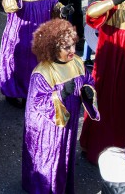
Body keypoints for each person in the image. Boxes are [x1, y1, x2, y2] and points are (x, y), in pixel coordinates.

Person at [22, 19, 99, 194]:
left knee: (64, 153)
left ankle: (62, 185)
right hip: (48, 128)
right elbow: (38, 103)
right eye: (66, 47)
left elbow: (88, 81)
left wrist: (88, 91)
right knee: (50, 157)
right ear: (53, 48)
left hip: (69, 120)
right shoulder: (42, 72)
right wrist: (61, 94)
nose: (72, 50)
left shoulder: (77, 62)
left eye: (73, 45)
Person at [80, 0, 125, 164]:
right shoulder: (113, 1)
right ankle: (99, 147)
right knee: (106, 102)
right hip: (111, 63)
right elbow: (91, 13)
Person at [0, 0, 66, 107]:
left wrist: (61, 9)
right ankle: (12, 94)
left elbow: (53, 4)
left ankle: (30, 93)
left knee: (35, 66)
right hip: (20, 36)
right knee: (19, 66)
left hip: (39, 36)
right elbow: (8, 5)